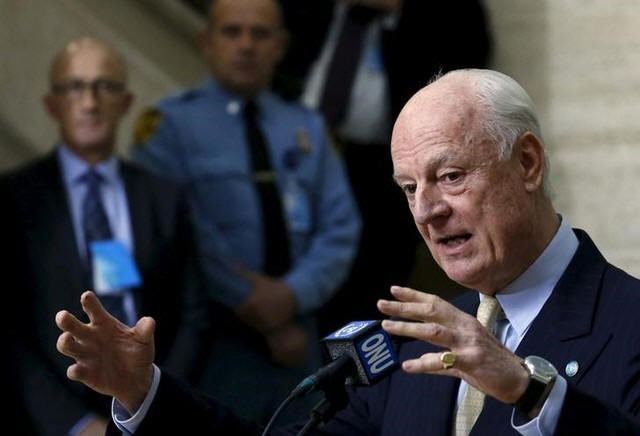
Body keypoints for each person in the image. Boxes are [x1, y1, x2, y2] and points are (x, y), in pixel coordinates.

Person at [56, 69, 640, 435]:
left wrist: (531, 392)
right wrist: (145, 394)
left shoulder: (630, 321)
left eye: (451, 176)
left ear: (528, 163)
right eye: (409, 188)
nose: (427, 211)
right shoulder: (414, 342)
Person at [129, 0, 360, 424]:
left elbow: (341, 227)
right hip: (211, 341)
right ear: (207, 41)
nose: (247, 45)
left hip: (298, 340)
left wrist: (291, 295)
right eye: (232, 32)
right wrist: (255, 305)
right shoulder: (168, 127)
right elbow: (181, 232)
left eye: (260, 33)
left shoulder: (306, 127)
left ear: (280, 45)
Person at [2, 37, 208, 436]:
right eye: (75, 87)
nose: (90, 102)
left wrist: (153, 402)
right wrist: (74, 424)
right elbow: (9, 330)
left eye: (105, 87)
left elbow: (194, 316)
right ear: (52, 104)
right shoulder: (13, 200)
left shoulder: (165, 197)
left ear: (126, 102)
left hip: (154, 414)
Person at [277, 0, 492, 332]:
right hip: (291, 157)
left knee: (365, 299)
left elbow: (463, 77)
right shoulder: (304, 12)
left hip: (379, 175)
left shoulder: (442, 16)